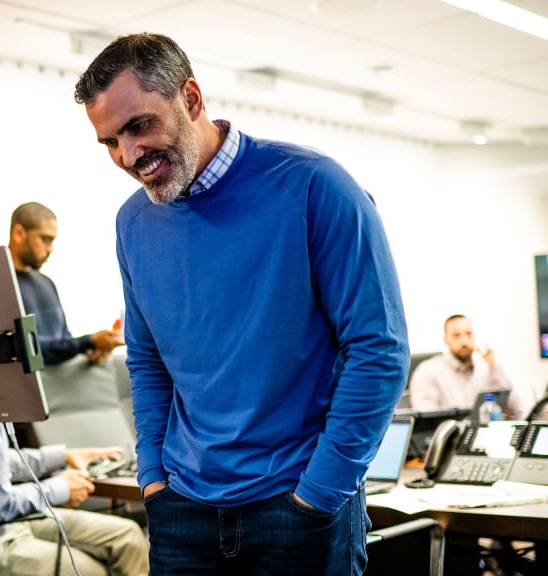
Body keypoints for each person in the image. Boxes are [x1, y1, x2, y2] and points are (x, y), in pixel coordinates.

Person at [74, 33, 409, 575]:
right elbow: (147, 360)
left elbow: (379, 349)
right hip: (182, 508)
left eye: (139, 126)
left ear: (191, 98)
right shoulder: (132, 223)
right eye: (110, 141)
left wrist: (321, 490)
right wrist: (153, 478)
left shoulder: (315, 187)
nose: (129, 155)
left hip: (299, 504)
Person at [0, 377, 149, 576]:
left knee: (128, 536)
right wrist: (61, 488)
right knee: (92, 571)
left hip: (9, 526)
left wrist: (62, 456)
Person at [9, 201, 124, 365]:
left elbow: (64, 340)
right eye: (45, 239)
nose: (50, 249)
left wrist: (90, 352)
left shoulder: (47, 284)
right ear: (19, 233)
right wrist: (88, 342)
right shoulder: (0, 287)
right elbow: (25, 349)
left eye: (52, 241)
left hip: (59, 386)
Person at [410, 314, 526, 419]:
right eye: (456, 335)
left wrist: (494, 368)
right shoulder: (427, 371)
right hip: (450, 440)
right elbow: (426, 420)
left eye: (469, 334)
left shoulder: (486, 368)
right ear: (446, 340)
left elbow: (517, 411)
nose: (464, 341)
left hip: (485, 438)